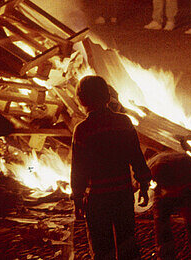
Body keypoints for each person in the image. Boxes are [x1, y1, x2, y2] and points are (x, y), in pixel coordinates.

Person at [70, 75, 150, 260]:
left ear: (81, 100)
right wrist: (144, 184)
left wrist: (78, 198)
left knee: (101, 247)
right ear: (107, 97)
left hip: (97, 198)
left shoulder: (82, 130)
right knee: (127, 242)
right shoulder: (124, 123)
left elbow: (79, 169)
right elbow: (137, 157)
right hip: (122, 194)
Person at [146, 150, 191, 260]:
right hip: (169, 183)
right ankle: (165, 255)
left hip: (186, 187)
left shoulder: (188, 174)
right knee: (162, 225)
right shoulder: (155, 171)